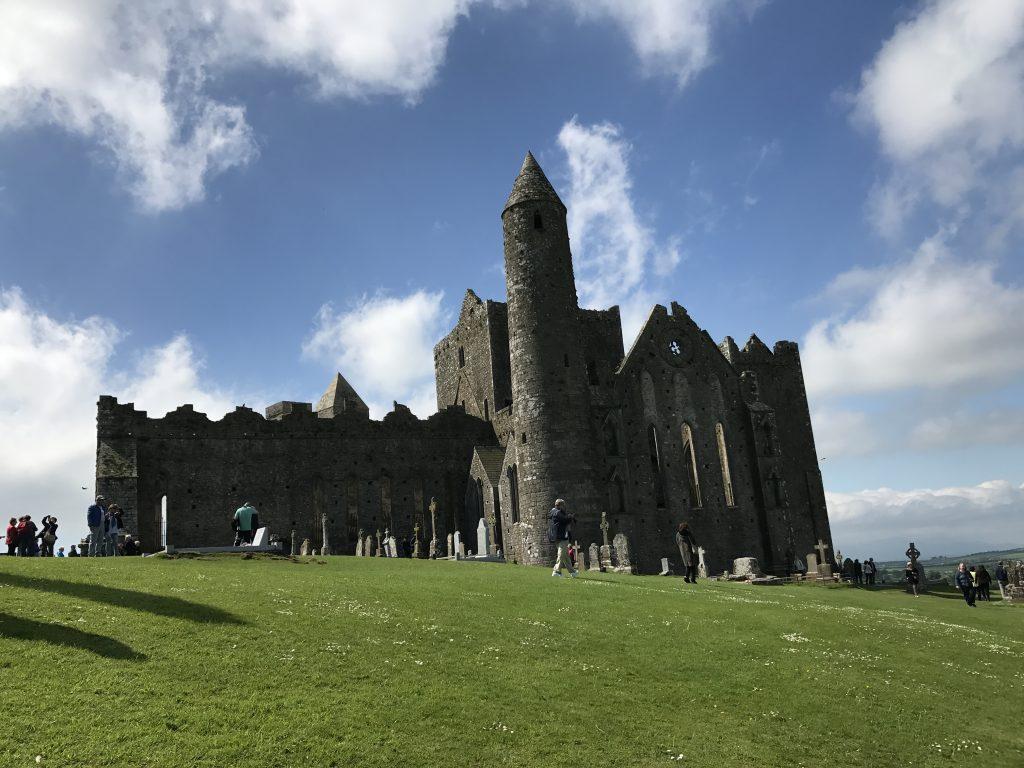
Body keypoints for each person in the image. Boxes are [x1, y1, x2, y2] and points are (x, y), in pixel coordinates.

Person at [548, 498, 577, 578]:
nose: (564, 507)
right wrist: (571, 517)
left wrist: (569, 517)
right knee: (561, 554)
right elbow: (564, 519)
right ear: (560, 506)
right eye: (563, 505)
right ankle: (557, 571)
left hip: (556, 536)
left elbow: (563, 520)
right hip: (561, 536)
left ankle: (572, 572)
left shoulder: (552, 512)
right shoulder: (557, 513)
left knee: (565, 555)